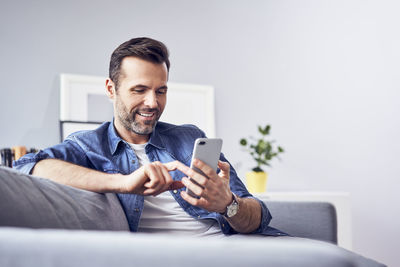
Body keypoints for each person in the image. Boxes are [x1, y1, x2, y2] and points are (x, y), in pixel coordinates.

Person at [14, 37, 283, 236]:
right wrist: (124, 182)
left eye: (161, 91)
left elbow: (259, 215)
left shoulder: (189, 137)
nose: (152, 103)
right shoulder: (88, 146)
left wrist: (228, 205)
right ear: (111, 89)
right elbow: (26, 166)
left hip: (243, 249)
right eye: (139, 90)